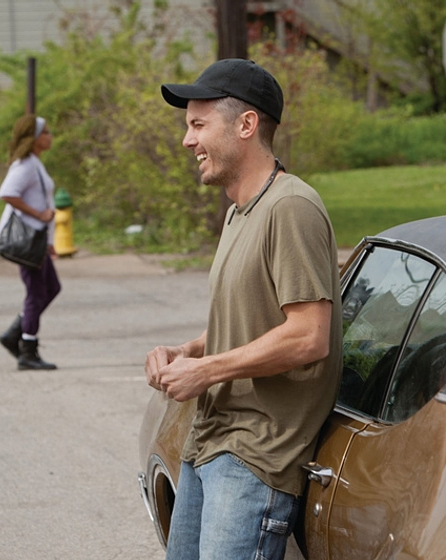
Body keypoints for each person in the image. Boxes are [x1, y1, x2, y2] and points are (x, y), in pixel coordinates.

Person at [144, 59, 342, 560]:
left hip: (255, 457)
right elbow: (256, 324)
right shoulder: (239, 211)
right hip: (209, 440)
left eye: (197, 124)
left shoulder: (290, 208)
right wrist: (185, 351)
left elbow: (308, 335)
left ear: (246, 125)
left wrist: (206, 371)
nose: (188, 140)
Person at [0, 114, 60, 370]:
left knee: (51, 287)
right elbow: (7, 193)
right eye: (46, 132)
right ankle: (28, 351)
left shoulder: (34, 162)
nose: (49, 137)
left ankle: (15, 334)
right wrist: (39, 215)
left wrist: (49, 240)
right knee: (36, 293)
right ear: (34, 138)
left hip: (38, 240)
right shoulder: (24, 165)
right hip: (28, 241)